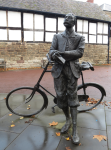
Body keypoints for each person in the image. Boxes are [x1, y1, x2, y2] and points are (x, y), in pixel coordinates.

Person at [49, 13, 85, 144]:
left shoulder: (80, 37)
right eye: (65, 18)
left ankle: (74, 129)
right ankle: (67, 119)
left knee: (73, 98)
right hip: (59, 70)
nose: (66, 20)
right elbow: (51, 51)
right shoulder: (57, 36)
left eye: (69, 19)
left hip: (72, 70)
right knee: (61, 97)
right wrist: (53, 54)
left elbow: (80, 52)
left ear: (74, 22)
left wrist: (63, 53)